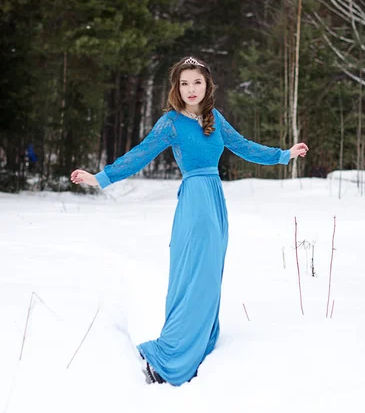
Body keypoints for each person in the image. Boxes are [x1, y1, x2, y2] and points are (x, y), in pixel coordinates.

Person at [70, 56, 309, 386]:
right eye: (184, 83)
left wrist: (284, 154)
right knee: (194, 276)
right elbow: (139, 154)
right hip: (195, 202)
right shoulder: (170, 123)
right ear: (177, 88)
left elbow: (244, 147)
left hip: (215, 203)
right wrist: (100, 177)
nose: (191, 89)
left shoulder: (215, 119)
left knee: (209, 277)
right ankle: (170, 357)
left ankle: (198, 350)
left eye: (197, 82)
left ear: (207, 85)